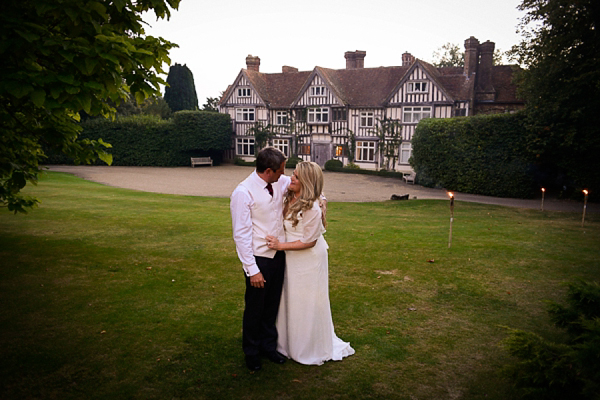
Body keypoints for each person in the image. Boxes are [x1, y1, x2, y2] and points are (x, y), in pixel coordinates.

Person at [266, 161, 355, 365]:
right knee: (291, 300)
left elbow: (309, 241)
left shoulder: (312, 207)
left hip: (309, 260)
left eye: (296, 176)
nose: (291, 178)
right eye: (293, 174)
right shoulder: (291, 195)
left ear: (306, 181)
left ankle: (307, 347)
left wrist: (279, 246)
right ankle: (287, 343)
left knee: (306, 303)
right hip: (292, 259)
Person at [230, 147, 290, 371]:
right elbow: (241, 234)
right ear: (268, 171)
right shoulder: (243, 193)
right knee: (255, 308)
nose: (284, 175)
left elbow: (300, 185)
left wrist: (319, 197)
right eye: (280, 171)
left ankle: (268, 347)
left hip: (278, 256)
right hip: (259, 259)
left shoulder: (277, 182)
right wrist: (252, 269)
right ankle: (251, 352)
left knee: (271, 306)